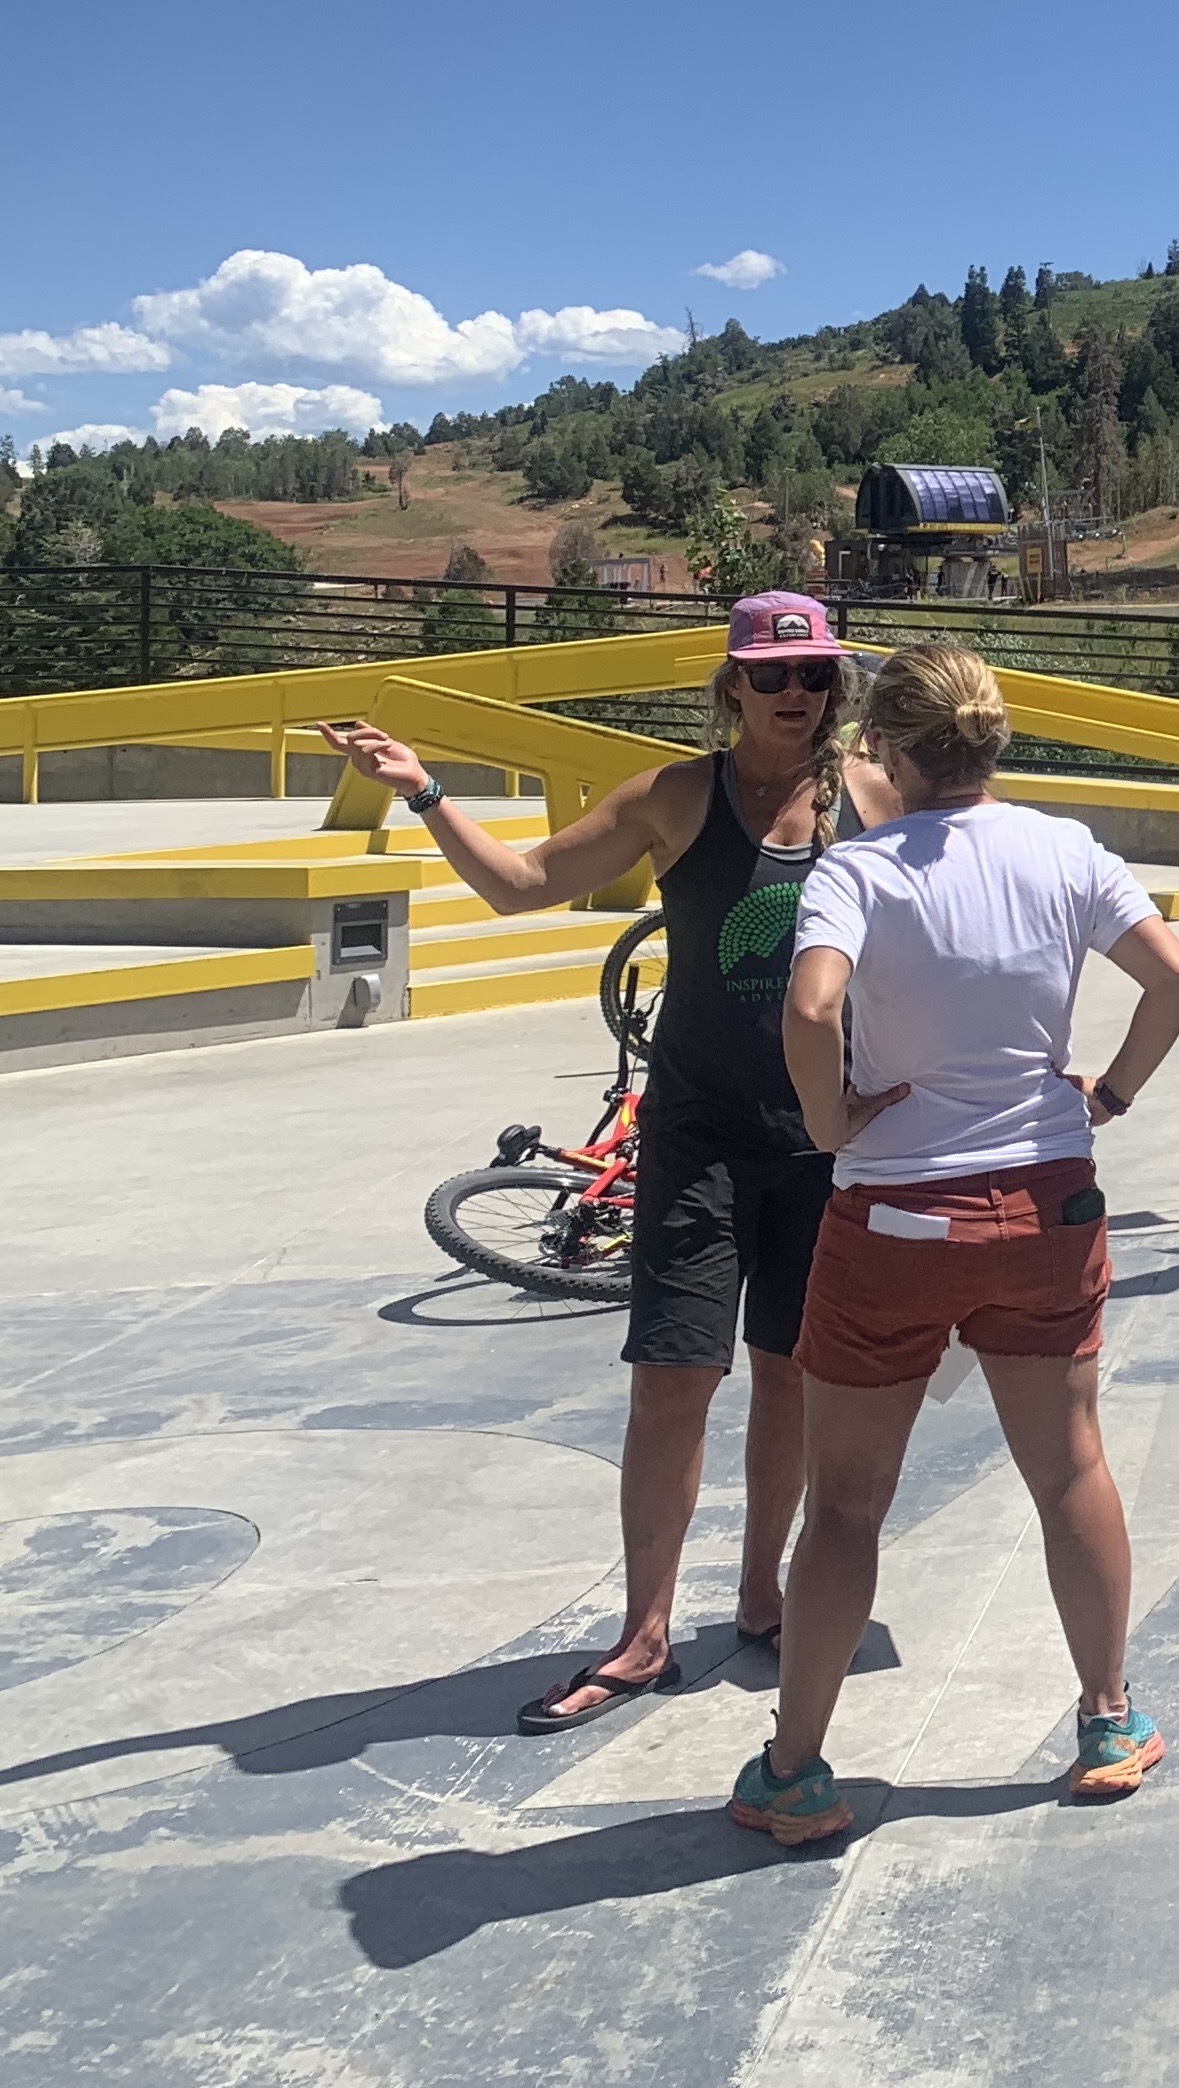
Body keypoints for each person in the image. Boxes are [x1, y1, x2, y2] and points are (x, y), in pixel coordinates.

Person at [322, 590, 883, 1735]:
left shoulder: (871, 799)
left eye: (815, 675)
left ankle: (763, 1598)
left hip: (825, 1141)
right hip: (700, 1135)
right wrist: (424, 791)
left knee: (789, 1373)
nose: (794, 694)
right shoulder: (677, 796)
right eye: (770, 675)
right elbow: (520, 883)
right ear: (731, 686)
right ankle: (644, 1633)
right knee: (672, 1379)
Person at [735, 645, 1179, 1846]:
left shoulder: (859, 869)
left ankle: (795, 1772)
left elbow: (811, 1007)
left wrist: (831, 1122)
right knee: (1071, 1469)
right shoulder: (1065, 850)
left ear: (887, 750)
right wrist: (1110, 1096)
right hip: (1044, 1206)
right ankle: (1108, 1720)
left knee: (846, 1507)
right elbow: (1175, 978)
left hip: (893, 1219)